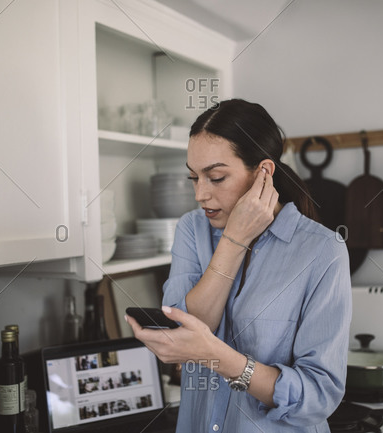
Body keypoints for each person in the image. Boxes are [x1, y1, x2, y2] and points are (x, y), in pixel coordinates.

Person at [125, 99, 351, 432]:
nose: (200, 194)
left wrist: (219, 358)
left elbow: (318, 396)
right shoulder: (192, 229)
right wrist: (235, 240)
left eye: (215, 178)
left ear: (263, 173)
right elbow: (186, 331)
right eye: (193, 177)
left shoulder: (322, 251)